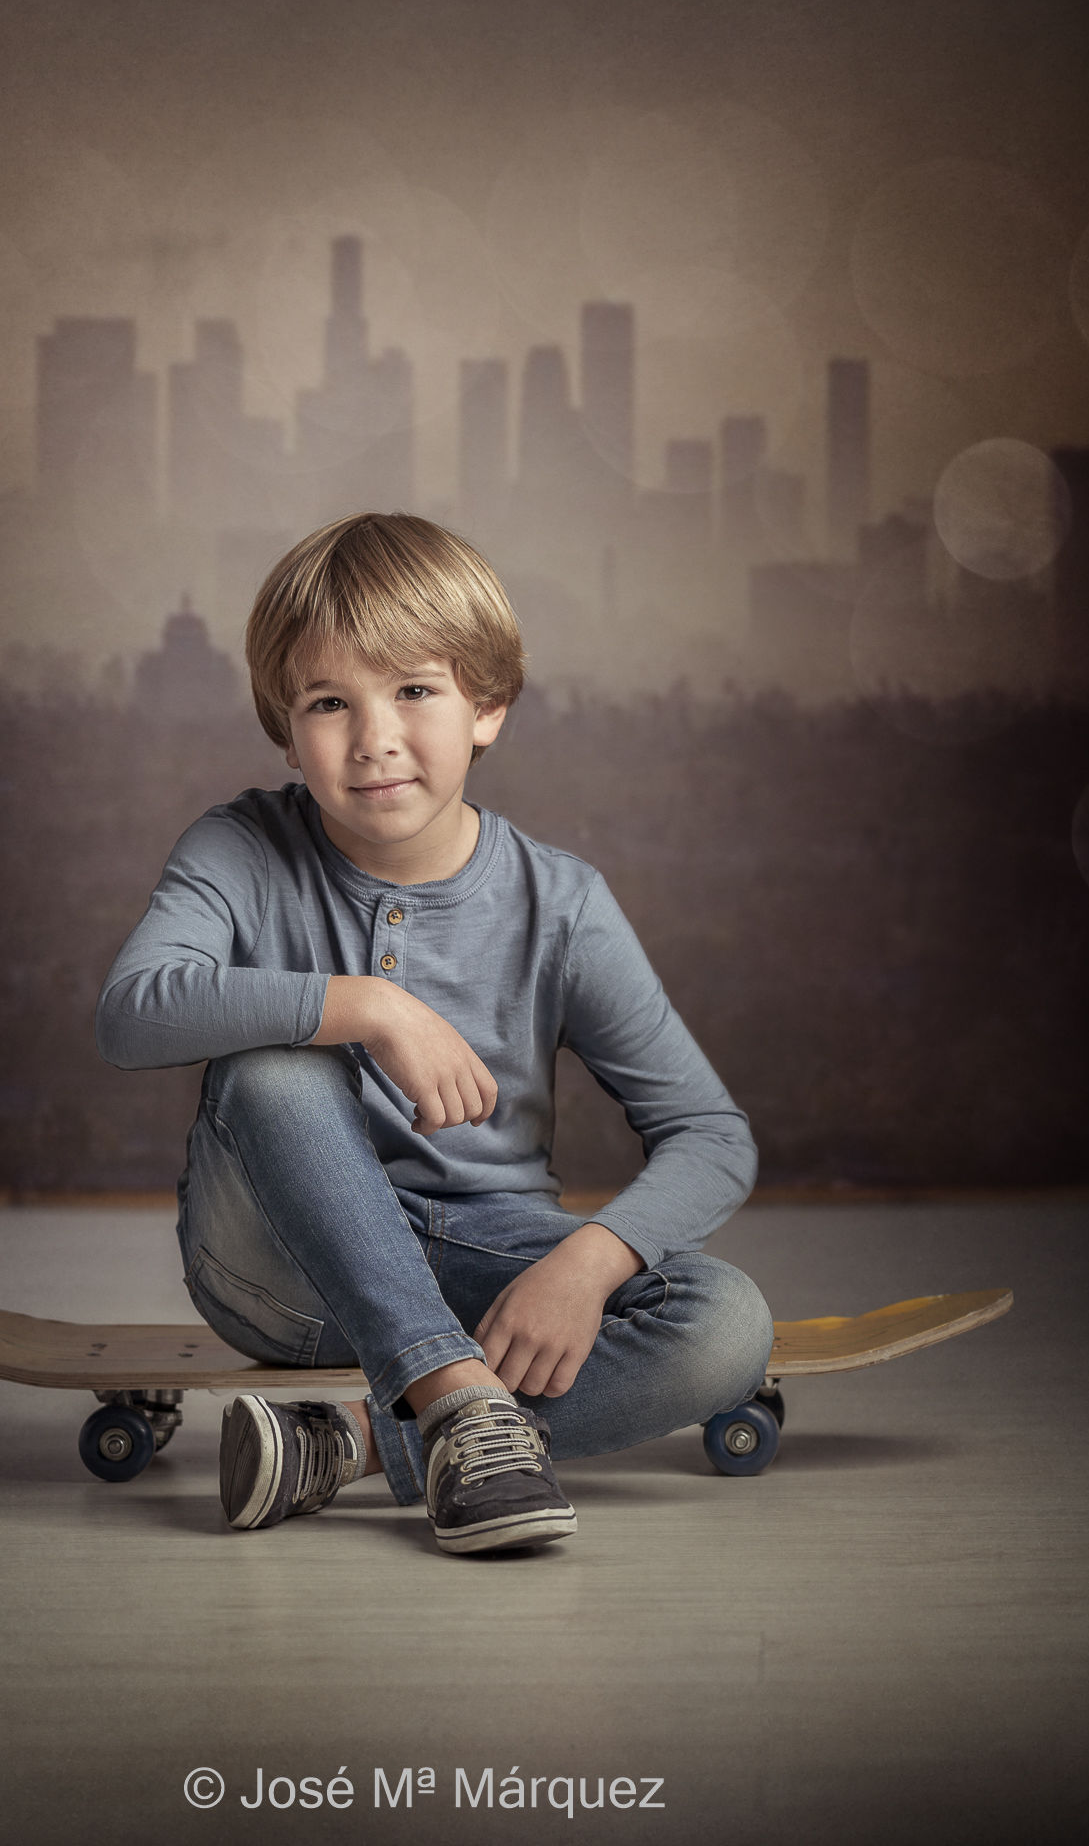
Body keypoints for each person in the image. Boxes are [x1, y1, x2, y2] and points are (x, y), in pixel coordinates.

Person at [96, 511, 772, 1555]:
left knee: (724, 1320)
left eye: (415, 689)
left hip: (481, 1261)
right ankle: (461, 1402)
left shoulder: (562, 903)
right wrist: (368, 1004)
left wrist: (586, 1263)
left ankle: (351, 1441)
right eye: (329, 702)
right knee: (276, 1066)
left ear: (487, 704)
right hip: (278, 1269)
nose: (374, 737)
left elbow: (710, 1134)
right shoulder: (240, 845)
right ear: (286, 728)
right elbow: (133, 1010)